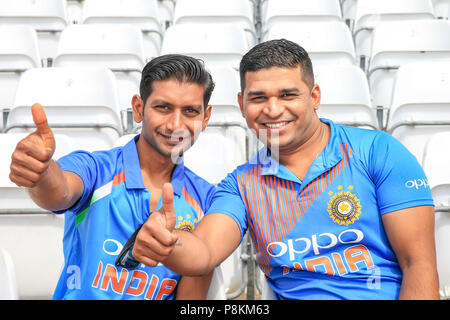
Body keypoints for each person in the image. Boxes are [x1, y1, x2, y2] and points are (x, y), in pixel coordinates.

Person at [131, 39, 440, 300]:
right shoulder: (240, 185)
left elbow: (419, 265)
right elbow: (204, 253)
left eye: (288, 95)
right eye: (258, 98)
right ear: (241, 104)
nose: (273, 109)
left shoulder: (378, 151)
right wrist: (169, 244)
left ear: (314, 96)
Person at [8, 54, 217, 300]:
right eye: (163, 107)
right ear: (138, 109)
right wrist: (41, 172)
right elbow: (60, 192)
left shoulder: (208, 202)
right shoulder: (96, 169)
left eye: (190, 111)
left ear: (205, 118)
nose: (176, 124)